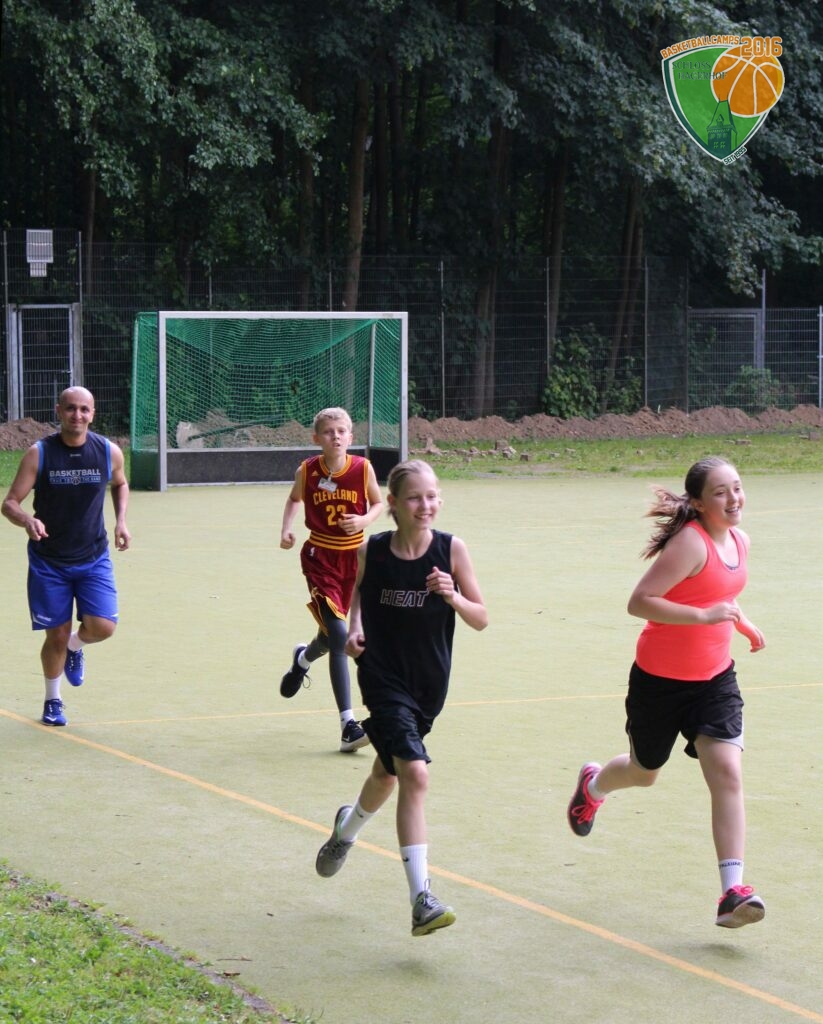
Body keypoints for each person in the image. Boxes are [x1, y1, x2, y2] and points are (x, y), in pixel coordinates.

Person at [567, 457, 766, 928]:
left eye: (737, 487)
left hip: (715, 680)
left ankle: (732, 892)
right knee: (644, 772)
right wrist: (703, 617)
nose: (733, 498)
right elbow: (640, 602)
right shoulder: (690, 544)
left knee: (727, 772)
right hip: (659, 683)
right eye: (720, 492)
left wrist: (742, 623)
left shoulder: (739, 540)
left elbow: (721, 595)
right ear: (698, 502)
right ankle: (593, 786)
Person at [314, 460, 488, 936]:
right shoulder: (373, 550)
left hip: (429, 686)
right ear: (392, 504)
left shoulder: (452, 550)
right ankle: (421, 900)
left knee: (386, 773)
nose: (425, 505)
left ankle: (346, 830)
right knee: (415, 773)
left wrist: (453, 596)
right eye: (414, 497)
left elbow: (481, 617)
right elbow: (356, 596)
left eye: (432, 496)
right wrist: (355, 630)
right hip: (382, 678)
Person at [1, 386, 130, 727]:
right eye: (70, 408)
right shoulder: (40, 454)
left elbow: (120, 483)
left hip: (93, 556)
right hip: (50, 562)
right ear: (59, 411)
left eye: (84, 409)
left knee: (103, 627)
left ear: (93, 414)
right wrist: (27, 520)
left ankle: (75, 647)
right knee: (55, 635)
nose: (77, 415)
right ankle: (53, 700)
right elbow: (10, 503)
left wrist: (121, 521)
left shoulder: (108, 452)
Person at [279, 407, 384, 752]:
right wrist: (286, 529)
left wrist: (364, 521)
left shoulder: (362, 468)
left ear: (350, 437)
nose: (335, 436)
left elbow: (378, 504)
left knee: (332, 635)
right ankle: (348, 726)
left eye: (341, 431)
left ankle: (303, 659)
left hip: (356, 560)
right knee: (339, 634)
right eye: (328, 432)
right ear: (317, 438)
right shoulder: (307, 470)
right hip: (320, 558)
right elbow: (294, 499)